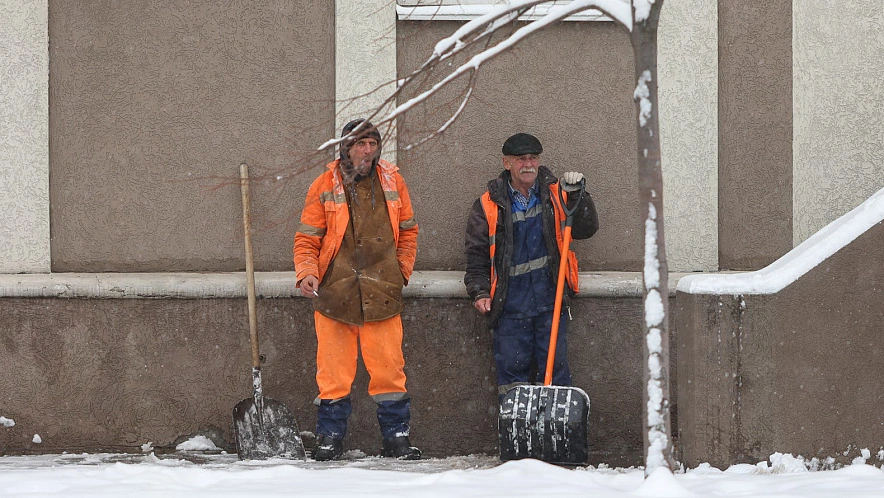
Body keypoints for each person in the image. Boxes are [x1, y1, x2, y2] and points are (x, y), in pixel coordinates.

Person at [294, 119, 421, 461]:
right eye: (359, 144)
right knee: (333, 374)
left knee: (390, 372)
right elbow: (307, 238)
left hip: (383, 293)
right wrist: (307, 273)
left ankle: (396, 440)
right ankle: (329, 440)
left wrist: (400, 272)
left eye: (372, 144)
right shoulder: (324, 184)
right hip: (335, 294)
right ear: (346, 148)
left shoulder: (393, 181)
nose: (367, 151)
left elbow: (409, 232)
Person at [464, 132, 599, 400]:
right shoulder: (489, 205)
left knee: (555, 377)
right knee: (513, 383)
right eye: (521, 159)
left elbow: (586, 229)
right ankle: (516, 426)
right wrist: (479, 292)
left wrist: (579, 196)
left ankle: (555, 426)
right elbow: (477, 254)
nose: (528, 164)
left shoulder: (556, 194)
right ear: (507, 163)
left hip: (550, 303)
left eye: (533, 158)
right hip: (509, 308)